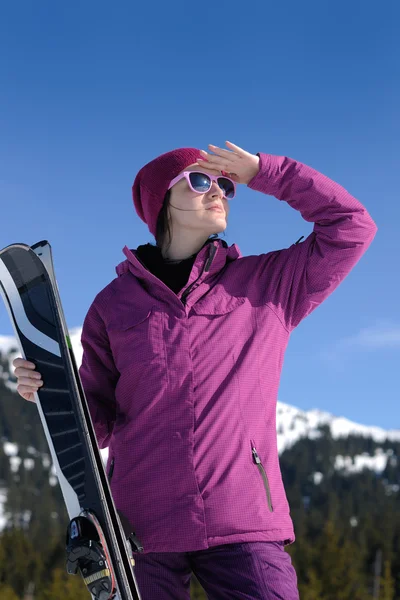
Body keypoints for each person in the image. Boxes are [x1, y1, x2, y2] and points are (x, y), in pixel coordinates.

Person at [13, 141, 377, 599]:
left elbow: (352, 226)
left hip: (241, 520)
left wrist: (265, 172)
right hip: (142, 529)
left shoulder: (267, 285)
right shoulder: (114, 305)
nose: (219, 191)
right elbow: (97, 422)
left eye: (225, 184)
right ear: (160, 201)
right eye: (201, 180)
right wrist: (52, 391)